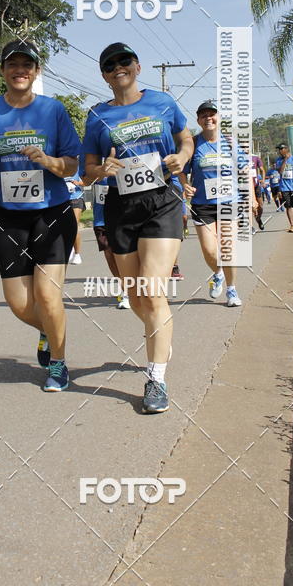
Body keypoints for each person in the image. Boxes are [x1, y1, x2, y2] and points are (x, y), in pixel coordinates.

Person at [83, 42, 193, 414]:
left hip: (162, 200)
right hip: (120, 206)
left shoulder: (162, 101)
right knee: (135, 297)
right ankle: (159, 333)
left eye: (124, 61)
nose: (118, 68)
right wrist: (102, 171)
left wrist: (182, 157)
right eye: (110, 65)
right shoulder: (96, 116)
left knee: (152, 291)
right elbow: (87, 172)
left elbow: (186, 137)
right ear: (104, 75)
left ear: (137, 66)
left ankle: (156, 378)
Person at [0, 39, 81, 392]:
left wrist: (48, 161)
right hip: (7, 216)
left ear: (37, 71)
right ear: (2, 71)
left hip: (52, 212)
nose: (20, 71)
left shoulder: (54, 110)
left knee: (48, 297)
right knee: (19, 304)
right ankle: (50, 329)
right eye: (13, 65)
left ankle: (59, 364)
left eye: (27, 65)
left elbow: (73, 163)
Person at [180, 100, 255, 308]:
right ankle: (218, 272)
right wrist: (186, 185)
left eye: (212, 114)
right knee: (210, 251)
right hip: (202, 204)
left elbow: (244, 171)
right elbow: (181, 172)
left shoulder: (230, 143)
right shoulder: (193, 144)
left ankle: (232, 290)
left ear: (218, 117)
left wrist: (252, 198)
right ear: (198, 120)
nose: (208, 118)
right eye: (203, 115)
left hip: (229, 202)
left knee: (228, 249)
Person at [86, 174, 130, 309]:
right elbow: (84, 178)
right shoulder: (93, 157)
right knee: (109, 255)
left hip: (123, 216)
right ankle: (125, 289)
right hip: (101, 219)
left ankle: (131, 290)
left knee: (126, 256)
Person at [65, 157, 85, 264]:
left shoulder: (79, 163)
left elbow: (87, 180)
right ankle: (70, 250)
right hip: (62, 199)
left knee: (74, 225)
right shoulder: (58, 161)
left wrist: (78, 183)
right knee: (64, 227)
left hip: (76, 197)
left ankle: (77, 254)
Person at [251, 152, 265, 231]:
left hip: (256, 185)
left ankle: (258, 219)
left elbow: (262, 170)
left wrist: (262, 180)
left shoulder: (255, 157)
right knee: (249, 207)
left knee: (260, 205)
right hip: (245, 186)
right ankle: (250, 226)